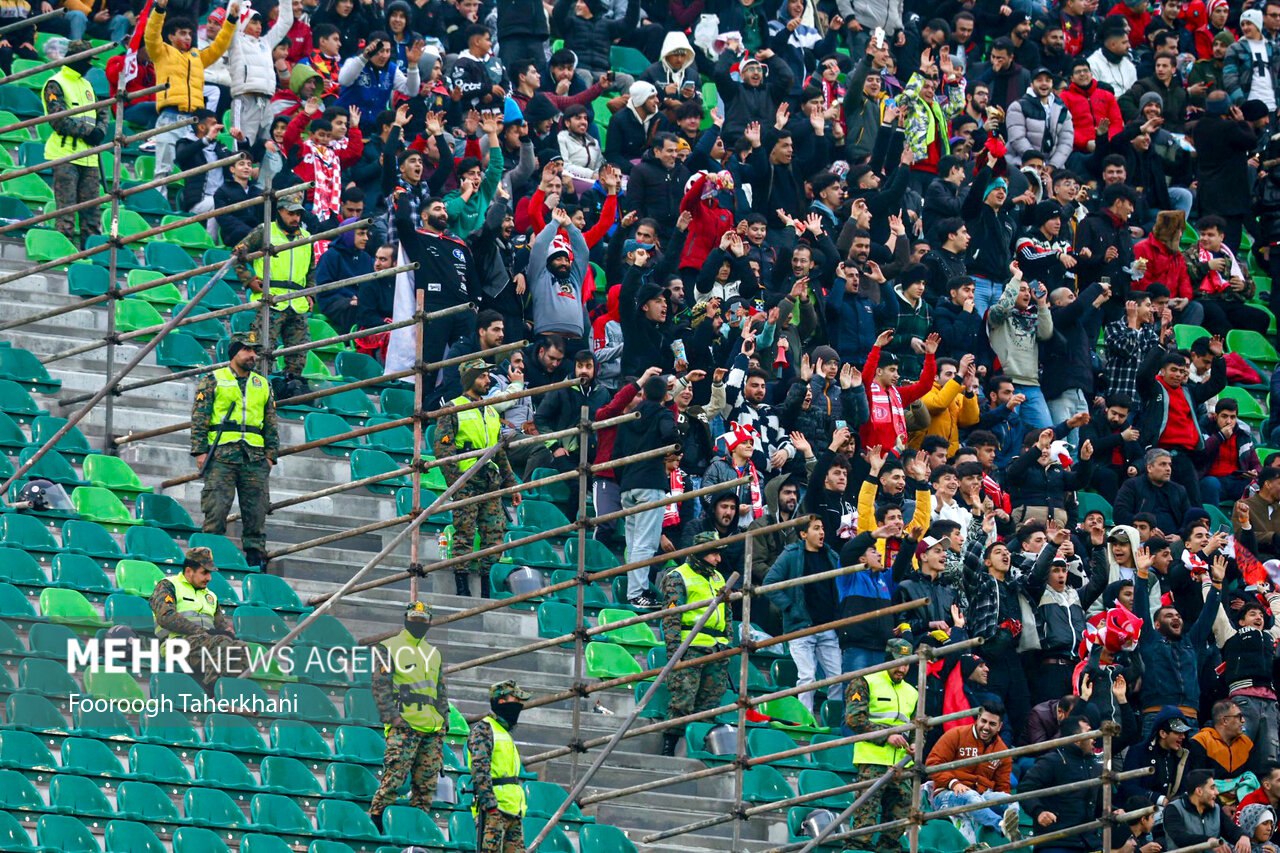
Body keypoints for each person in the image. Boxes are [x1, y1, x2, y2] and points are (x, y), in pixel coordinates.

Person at [434, 359, 521, 598]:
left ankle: (486, 587)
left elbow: (499, 451)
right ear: (470, 378)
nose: (488, 380)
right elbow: (443, 450)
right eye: (483, 376)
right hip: (467, 481)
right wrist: (456, 480)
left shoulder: (492, 411)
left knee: (494, 533)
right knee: (464, 534)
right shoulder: (453, 408)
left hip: (489, 481)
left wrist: (511, 483)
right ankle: (462, 587)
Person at [190, 331, 278, 569]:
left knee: (257, 509)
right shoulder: (213, 379)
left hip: (255, 457)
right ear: (234, 353)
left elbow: (270, 421)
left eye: (254, 351)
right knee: (216, 507)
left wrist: (271, 455)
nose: (252, 355)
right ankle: (209, 558)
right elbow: (200, 418)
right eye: (246, 350)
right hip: (221, 455)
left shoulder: (261, 383)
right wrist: (199, 452)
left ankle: (255, 558)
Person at [368, 601, 450, 833]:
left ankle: (416, 831)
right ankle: (376, 825)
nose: (418, 624)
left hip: (432, 729)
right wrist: (394, 719)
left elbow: (441, 690)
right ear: (406, 619)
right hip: (405, 725)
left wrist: (444, 721)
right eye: (414, 619)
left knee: (426, 786)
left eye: (423, 620)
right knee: (394, 780)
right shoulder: (388, 647)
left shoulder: (433, 653)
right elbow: (380, 687)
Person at [659, 531, 733, 756]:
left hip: (716, 649)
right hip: (690, 648)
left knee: (709, 707)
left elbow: (727, 613)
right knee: (683, 701)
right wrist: (675, 653)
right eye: (713, 554)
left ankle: (697, 750)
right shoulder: (677, 576)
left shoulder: (719, 577)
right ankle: (669, 749)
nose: (718, 559)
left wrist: (727, 642)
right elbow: (671, 617)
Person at [145, 0, 238, 177]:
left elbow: (218, 47)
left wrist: (231, 21)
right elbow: (151, 35)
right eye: (182, 33)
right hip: (169, 118)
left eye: (189, 33)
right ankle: (163, 204)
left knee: (192, 171)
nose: (188, 37)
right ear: (171, 37)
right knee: (163, 170)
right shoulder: (161, 52)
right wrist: (159, 10)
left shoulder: (196, 57)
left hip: (194, 122)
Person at [764, 516, 842, 714]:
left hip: (828, 628)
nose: (822, 532)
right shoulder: (791, 554)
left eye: (822, 528)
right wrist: (790, 608)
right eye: (816, 528)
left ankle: (833, 720)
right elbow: (770, 583)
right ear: (803, 534)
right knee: (807, 678)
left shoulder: (831, 555)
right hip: (801, 628)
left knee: (837, 677)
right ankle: (805, 720)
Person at [233, 196, 315, 383]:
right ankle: (257, 388)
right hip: (270, 300)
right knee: (263, 352)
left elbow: (311, 270)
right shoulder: (265, 231)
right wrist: (249, 280)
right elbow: (238, 253)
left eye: (298, 214)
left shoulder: (306, 236)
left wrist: (310, 293)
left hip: (297, 302)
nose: (295, 218)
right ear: (279, 212)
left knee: (298, 354)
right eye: (291, 214)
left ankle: (289, 389)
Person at [847, 638, 917, 853]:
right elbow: (854, 719)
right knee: (863, 824)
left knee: (897, 826)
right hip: (872, 761)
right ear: (888, 659)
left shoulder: (912, 692)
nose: (902, 668)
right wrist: (886, 735)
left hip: (902, 765)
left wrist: (915, 745)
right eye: (898, 662)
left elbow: (914, 727)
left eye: (906, 664)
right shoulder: (865, 681)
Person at [149, 547, 247, 692]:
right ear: (189, 571)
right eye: (204, 573)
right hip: (176, 644)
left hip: (205, 644)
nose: (209, 578)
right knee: (222, 642)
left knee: (241, 648)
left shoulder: (211, 596)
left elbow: (220, 625)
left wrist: (228, 631)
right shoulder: (168, 585)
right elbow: (166, 616)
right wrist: (203, 632)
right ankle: (210, 692)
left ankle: (227, 693)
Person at [42, 39, 109, 248]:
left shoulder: (86, 84)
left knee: (92, 216)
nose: (90, 64)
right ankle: (64, 258)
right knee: (66, 213)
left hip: (89, 158)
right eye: (88, 59)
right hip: (65, 156)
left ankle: (91, 257)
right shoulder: (56, 83)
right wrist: (89, 132)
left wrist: (100, 130)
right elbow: (58, 119)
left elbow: (103, 111)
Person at [927, 702, 1020, 841]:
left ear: (1000, 727)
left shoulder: (1003, 751)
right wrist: (953, 783)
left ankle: (1010, 830)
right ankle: (1000, 826)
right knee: (970, 796)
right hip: (947, 794)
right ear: (977, 718)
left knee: (1012, 801)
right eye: (983, 721)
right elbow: (932, 764)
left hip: (981, 796)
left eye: (992, 724)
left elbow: (1003, 788)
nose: (986, 727)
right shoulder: (956, 734)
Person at [1021, 714, 1103, 853]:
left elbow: (1100, 804)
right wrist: (1039, 812)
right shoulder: (1051, 761)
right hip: (1056, 842)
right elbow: (1025, 788)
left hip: (1089, 842)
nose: (1094, 737)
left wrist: (1114, 811)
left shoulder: (1095, 767)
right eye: (1089, 732)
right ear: (1076, 739)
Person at [468, 679, 532, 852]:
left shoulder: (503, 731)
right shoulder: (485, 729)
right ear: (501, 701)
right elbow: (480, 769)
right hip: (494, 811)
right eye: (516, 699)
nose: (519, 704)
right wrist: (490, 805)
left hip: (513, 809)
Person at [1118, 707, 1194, 810]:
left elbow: (1183, 788)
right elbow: (1129, 787)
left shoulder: (1181, 756)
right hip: (1139, 811)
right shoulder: (1138, 752)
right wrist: (1159, 798)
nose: (1183, 737)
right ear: (1163, 733)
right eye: (1177, 733)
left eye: (1184, 733)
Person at [1162, 770, 1247, 851]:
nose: (1217, 792)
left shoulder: (1216, 809)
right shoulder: (1173, 809)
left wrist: (1242, 836)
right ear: (1199, 791)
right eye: (1212, 788)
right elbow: (1180, 838)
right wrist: (1207, 841)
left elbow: (1231, 830)